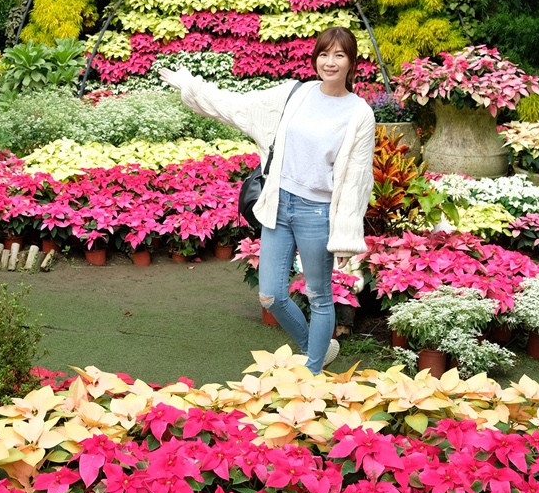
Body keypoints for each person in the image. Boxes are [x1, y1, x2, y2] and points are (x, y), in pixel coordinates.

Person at [158, 26, 376, 373]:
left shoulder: (359, 114)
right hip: (279, 204)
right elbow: (239, 107)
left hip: (317, 213)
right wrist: (192, 86)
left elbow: (357, 179)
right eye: (323, 54)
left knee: (320, 296)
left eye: (339, 55)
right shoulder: (296, 94)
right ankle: (315, 348)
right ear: (315, 58)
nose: (330, 62)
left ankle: (314, 371)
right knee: (271, 295)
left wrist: (347, 234)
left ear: (352, 63)